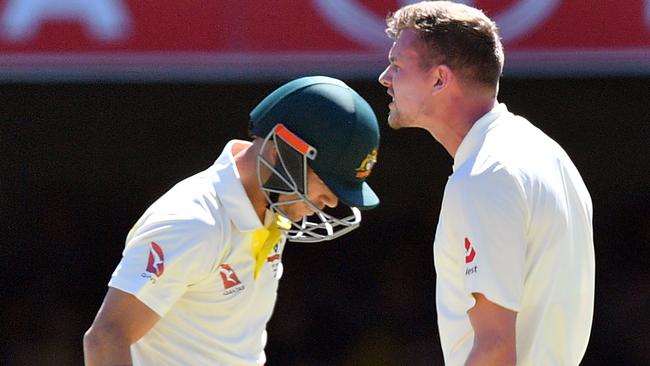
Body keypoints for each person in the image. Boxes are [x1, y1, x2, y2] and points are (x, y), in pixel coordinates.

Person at [83, 75, 381, 365]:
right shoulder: (194, 222)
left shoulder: (269, 211)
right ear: (284, 154)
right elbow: (106, 337)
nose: (331, 201)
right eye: (327, 183)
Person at [378, 2, 594, 365]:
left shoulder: (484, 176)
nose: (385, 77)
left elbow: (495, 349)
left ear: (439, 79)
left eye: (398, 66)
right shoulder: (546, 153)